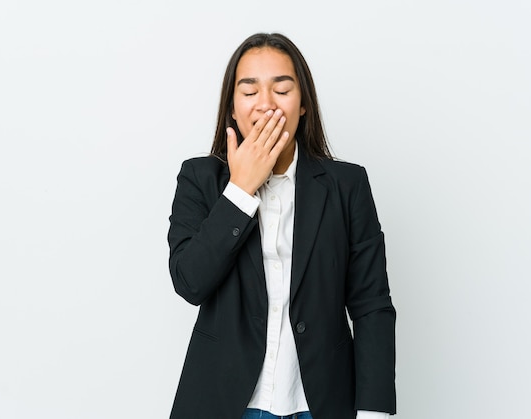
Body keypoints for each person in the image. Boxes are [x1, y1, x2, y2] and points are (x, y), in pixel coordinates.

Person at [167, 32, 396, 419]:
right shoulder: (199, 179)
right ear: (232, 108)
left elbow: (371, 304)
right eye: (249, 90)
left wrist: (373, 411)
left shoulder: (347, 185)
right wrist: (240, 190)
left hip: (318, 403)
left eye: (282, 89)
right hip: (224, 402)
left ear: (303, 104)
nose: (267, 105)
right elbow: (190, 281)